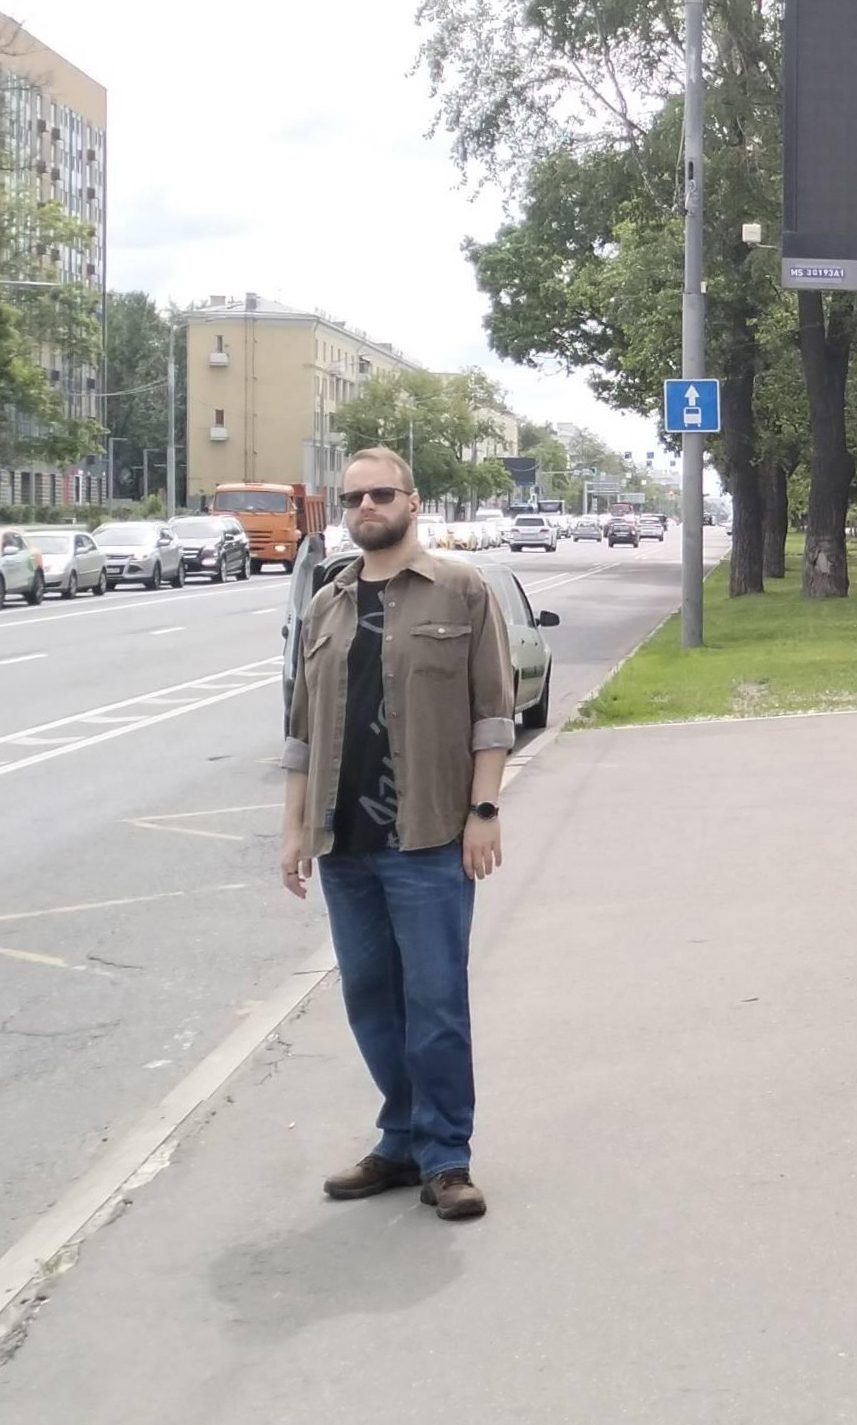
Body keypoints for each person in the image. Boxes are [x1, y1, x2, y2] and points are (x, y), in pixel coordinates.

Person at [281, 449, 514, 1221]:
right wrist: (293, 831)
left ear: (413, 502)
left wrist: (484, 812)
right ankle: (404, 1136)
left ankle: (446, 1158)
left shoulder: (461, 589)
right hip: (344, 844)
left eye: (382, 494)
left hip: (428, 838)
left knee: (436, 1003)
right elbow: (301, 731)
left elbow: (492, 713)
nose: (367, 507)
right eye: (354, 498)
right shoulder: (327, 604)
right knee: (370, 1000)